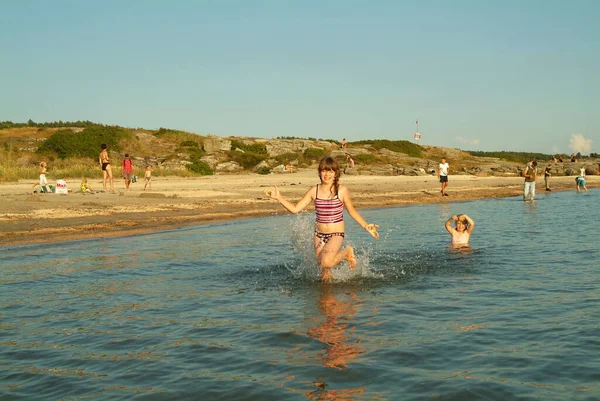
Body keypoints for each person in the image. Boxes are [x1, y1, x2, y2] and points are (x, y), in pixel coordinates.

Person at [264, 156, 379, 281]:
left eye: (330, 171)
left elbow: (351, 211)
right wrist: (279, 198)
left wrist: (365, 225)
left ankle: (346, 251)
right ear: (319, 172)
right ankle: (327, 298)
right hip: (319, 235)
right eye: (324, 170)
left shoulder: (341, 190)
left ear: (336, 173)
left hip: (336, 234)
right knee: (324, 272)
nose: (327, 174)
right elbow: (295, 209)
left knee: (327, 262)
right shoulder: (314, 191)